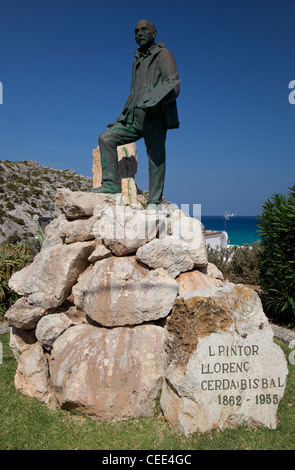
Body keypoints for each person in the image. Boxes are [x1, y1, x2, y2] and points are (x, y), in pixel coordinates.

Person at [92, 19, 180, 207]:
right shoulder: (136, 62)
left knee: (155, 158)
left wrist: (155, 103)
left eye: (143, 30)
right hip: (133, 119)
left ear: (154, 33)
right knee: (106, 138)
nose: (139, 33)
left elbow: (174, 86)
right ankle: (110, 184)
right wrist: (120, 118)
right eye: (136, 31)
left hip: (154, 117)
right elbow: (133, 94)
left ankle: (154, 201)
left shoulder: (164, 55)